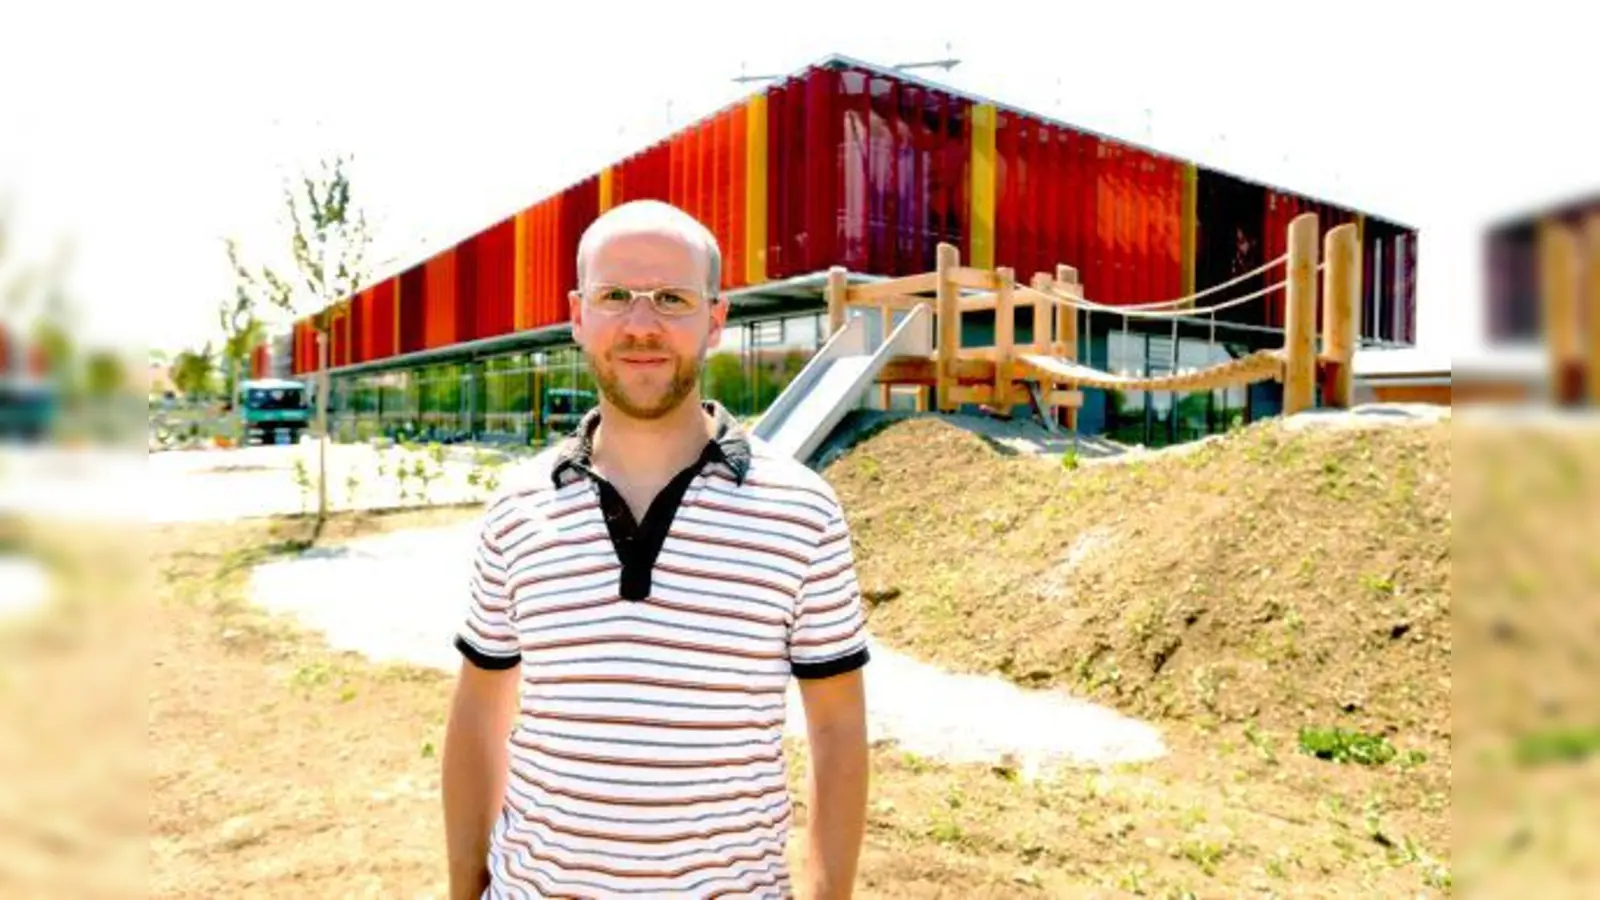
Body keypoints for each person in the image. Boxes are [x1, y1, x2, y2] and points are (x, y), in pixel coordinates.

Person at [442, 200, 871, 900]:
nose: (641, 325)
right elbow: (480, 712)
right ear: (579, 316)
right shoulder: (516, 508)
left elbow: (837, 724)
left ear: (716, 318)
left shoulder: (803, 510)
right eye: (615, 297)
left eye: (672, 298)